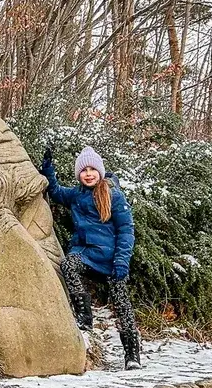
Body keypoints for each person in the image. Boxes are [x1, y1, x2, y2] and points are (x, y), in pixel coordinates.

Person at [40, 144, 141, 369]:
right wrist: (48, 168)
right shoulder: (76, 195)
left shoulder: (114, 196)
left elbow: (126, 231)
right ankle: (84, 317)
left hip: (112, 260)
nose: (88, 174)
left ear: (100, 172)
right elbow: (55, 192)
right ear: (79, 174)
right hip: (85, 255)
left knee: (122, 304)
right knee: (68, 265)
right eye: (83, 170)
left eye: (92, 170)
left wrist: (122, 261)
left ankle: (132, 355)